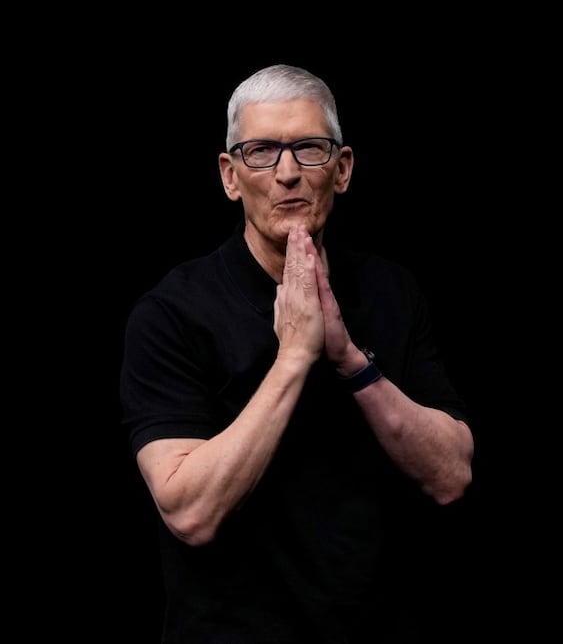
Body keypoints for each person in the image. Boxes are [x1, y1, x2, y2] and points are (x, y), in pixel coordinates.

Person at [119, 63, 475, 643]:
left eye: (309, 149)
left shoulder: (392, 291)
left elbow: (452, 474)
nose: (287, 173)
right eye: (261, 152)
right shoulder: (171, 315)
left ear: (343, 169)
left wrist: (353, 364)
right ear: (230, 176)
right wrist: (294, 358)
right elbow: (189, 512)